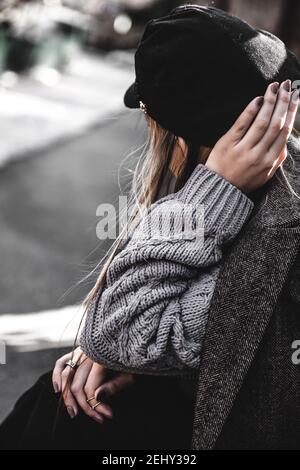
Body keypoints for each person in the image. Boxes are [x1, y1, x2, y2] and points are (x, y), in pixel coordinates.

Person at [1, 5, 300, 450]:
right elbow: (139, 332)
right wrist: (123, 359)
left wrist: (215, 188)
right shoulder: (277, 196)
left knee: (60, 412)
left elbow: (125, 329)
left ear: (182, 138)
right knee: (60, 395)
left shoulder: (282, 228)